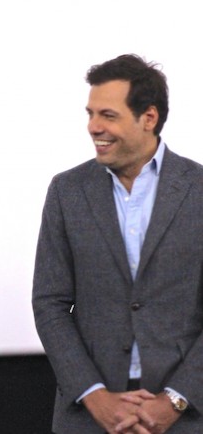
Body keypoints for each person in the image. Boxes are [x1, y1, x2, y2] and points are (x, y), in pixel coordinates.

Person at [32, 54, 203, 433]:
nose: (93, 126)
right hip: (88, 416)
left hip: (187, 416)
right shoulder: (66, 191)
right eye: (90, 114)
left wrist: (176, 399)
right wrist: (94, 396)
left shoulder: (199, 189)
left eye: (107, 115)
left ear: (149, 117)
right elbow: (50, 303)